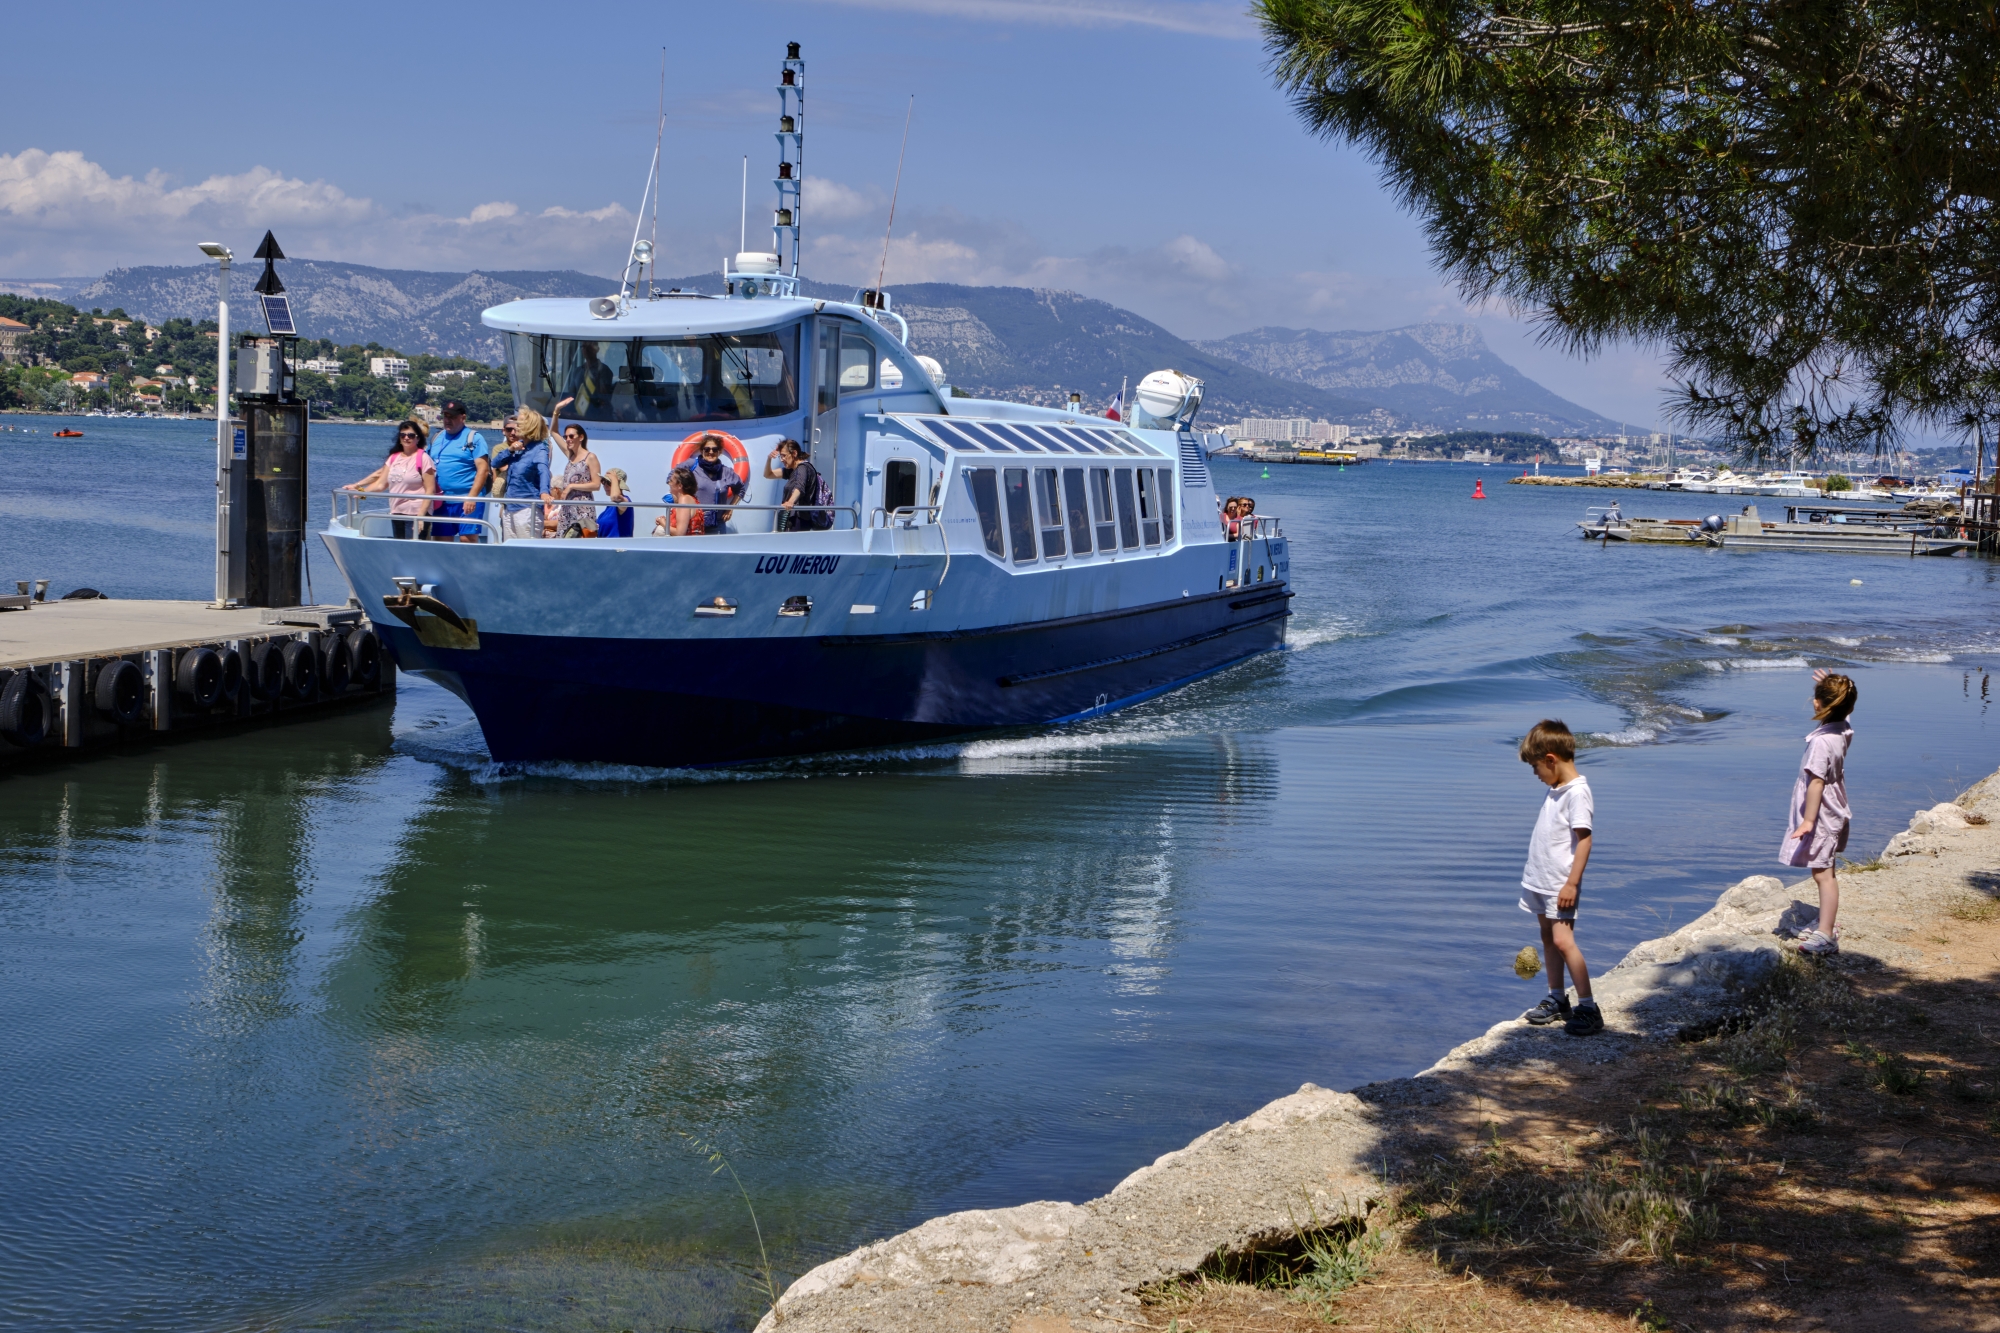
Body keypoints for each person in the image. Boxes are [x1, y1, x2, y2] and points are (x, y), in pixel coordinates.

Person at [1516, 719, 1601, 1037]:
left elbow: (1585, 840)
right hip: (1540, 880)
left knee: (1565, 942)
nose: (1536, 774)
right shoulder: (1557, 789)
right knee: (1548, 939)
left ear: (1550, 759)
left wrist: (1572, 883)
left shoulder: (1577, 793)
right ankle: (1557, 997)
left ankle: (1589, 1007)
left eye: (1536, 767)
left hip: (1561, 884)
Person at [1783, 671, 1858, 956]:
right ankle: (1824, 922)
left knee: (1823, 874)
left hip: (1823, 812)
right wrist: (1837, 689)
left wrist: (1808, 821)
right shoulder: (1843, 729)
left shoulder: (1820, 743)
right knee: (1826, 867)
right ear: (1848, 707)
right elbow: (1844, 712)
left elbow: (1816, 782)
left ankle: (1826, 933)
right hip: (1836, 804)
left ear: (1818, 705)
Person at [352, 420, 436, 539]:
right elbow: (381, 484)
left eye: (411, 435)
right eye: (403, 435)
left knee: (413, 551)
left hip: (416, 513)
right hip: (397, 511)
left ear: (418, 438)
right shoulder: (393, 458)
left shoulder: (423, 458)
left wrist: (421, 516)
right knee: (400, 549)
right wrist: (359, 492)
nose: (406, 438)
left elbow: (430, 491)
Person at [428, 400, 491, 542]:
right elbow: (425, 465)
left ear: (463, 417)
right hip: (442, 501)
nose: (447, 420)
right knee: (441, 543)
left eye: (452, 417)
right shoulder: (436, 438)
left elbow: (483, 469)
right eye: (445, 416)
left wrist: (472, 497)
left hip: (467, 498)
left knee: (467, 540)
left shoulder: (474, 438)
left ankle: (473, 565)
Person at [490, 407, 552, 540]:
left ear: (530, 426)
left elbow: (543, 470)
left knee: (528, 551)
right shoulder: (518, 447)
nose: (515, 426)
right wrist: (510, 450)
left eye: (519, 423)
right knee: (510, 550)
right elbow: (495, 463)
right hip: (510, 507)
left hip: (527, 510)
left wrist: (544, 492)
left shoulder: (539, 449)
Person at [549, 410, 601, 538]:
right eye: (566, 437)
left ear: (581, 437)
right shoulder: (570, 455)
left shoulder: (590, 457)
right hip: (567, 508)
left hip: (584, 508)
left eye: (571, 436)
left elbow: (596, 484)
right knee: (564, 541)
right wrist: (556, 413)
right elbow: (554, 432)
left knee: (583, 542)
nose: (567, 439)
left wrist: (572, 486)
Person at [689, 433, 743, 531]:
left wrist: (730, 509)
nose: (711, 452)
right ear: (701, 451)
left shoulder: (727, 472)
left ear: (719, 452)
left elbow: (740, 489)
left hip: (717, 525)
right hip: (694, 524)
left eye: (715, 449)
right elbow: (673, 481)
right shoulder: (693, 469)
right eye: (707, 449)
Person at [774, 438, 823, 531]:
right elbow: (768, 474)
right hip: (792, 518)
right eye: (780, 456)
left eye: (784, 456)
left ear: (794, 454)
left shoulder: (802, 468)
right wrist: (769, 459)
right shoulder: (792, 471)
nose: (782, 459)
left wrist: (790, 502)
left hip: (798, 519)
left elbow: (799, 486)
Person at [564, 341, 615, 419]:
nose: (586, 349)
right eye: (583, 347)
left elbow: (605, 395)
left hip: (599, 415)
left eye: (589, 347)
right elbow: (571, 395)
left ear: (596, 349)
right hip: (578, 415)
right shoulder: (577, 371)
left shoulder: (604, 370)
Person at [653, 466, 707, 536]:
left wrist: (663, 523)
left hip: (685, 545)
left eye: (671, 481)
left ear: (679, 486)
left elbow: (680, 533)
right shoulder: (691, 499)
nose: (669, 483)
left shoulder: (684, 499)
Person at [597, 467, 635, 537]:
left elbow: (615, 497)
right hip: (605, 546)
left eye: (608, 482)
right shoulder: (608, 508)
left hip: (618, 546)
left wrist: (614, 479)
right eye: (603, 481)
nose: (605, 485)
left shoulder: (626, 501)